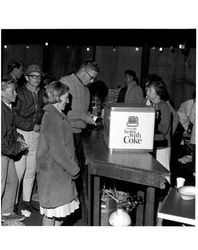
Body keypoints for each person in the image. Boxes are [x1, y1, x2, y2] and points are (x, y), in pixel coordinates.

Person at [59, 60, 99, 222]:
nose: (92, 81)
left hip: (79, 134)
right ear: (83, 71)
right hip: (66, 133)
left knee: (75, 170)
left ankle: (70, 205)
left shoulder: (86, 90)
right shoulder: (65, 82)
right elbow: (61, 110)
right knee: (67, 170)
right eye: (91, 77)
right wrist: (84, 117)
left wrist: (89, 116)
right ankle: (62, 207)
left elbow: (82, 111)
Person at [36, 81, 80, 226]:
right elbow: (58, 151)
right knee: (52, 215)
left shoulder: (57, 115)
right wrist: (74, 169)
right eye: (66, 97)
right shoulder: (52, 117)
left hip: (59, 172)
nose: (68, 101)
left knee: (60, 215)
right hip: (54, 173)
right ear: (57, 97)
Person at [12, 64, 45, 215]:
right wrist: (32, 125)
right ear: (26, 78)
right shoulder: (19, 92)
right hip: (22, 133)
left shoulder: (41, 92)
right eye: (33, 76)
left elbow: (44, 111)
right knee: (19, 171)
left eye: (38, 76)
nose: (37, 79)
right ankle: (12, 205)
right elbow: (14, 115)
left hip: (36, 134)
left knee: (31, 170)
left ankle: (26, 202)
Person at [1, 79, 28, 223]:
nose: (16, 94)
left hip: (7, 152)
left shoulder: (7, 106)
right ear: (1, 92)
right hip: (2, 153)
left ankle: (6, 213)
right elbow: (1, 141)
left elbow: (10, 130)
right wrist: (18, 147)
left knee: (12, 181)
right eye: (12, 91)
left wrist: (19, 137)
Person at [146, 79, 172, 171]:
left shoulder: (163, 105)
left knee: (162, 172)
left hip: (161, 146)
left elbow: (164, 129)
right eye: (147, 90)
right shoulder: (153, 105)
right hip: (154, 144)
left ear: (158, 93)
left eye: (150, 91)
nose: (147, 93)